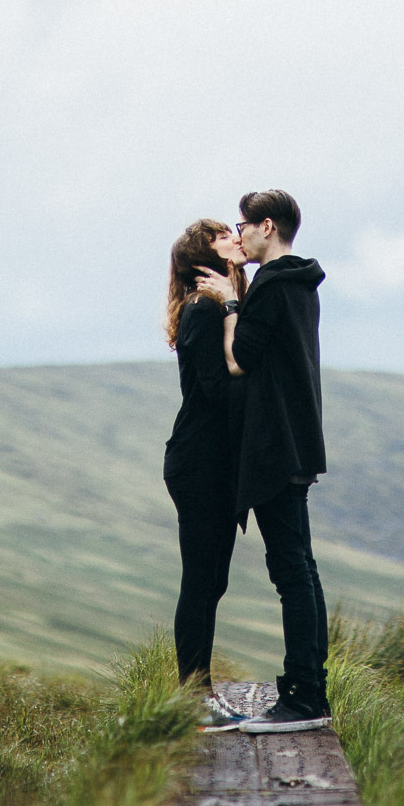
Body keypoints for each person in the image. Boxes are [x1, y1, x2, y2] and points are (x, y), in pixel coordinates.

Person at [196, 188, 331, 733]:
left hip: (276, 445)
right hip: (296, 441)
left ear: (267, 226)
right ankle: (307, 688)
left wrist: (230, 300)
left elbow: (238, 361)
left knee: (291, 573)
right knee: (301, 569)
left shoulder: (274, 286)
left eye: (243, 225)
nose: (240, 234)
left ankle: (302, 699)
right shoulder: (302, 283)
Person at [161, 218, 253, 731]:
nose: (234, 239)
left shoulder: (217, 306)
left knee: (210, 581)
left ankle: (198, 694)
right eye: (223, 236)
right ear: (205, 257)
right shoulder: (202, 310)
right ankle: (193, 699)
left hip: (213, 464)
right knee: (200, 581)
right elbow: (218, 391)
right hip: (199, 464)